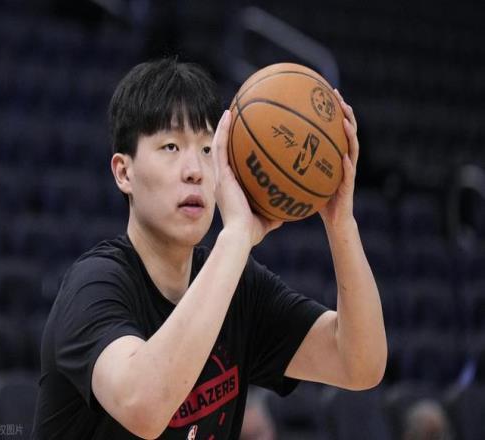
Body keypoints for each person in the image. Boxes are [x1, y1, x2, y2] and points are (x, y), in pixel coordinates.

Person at [31, 57, 387, 439]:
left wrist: (340, 224)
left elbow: (360, 365)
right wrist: (236, 236)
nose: (195, 171)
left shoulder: (240, 288)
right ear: (124, 172)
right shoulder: (93, 287)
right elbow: (145, 405)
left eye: (206, 149)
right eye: (170, 146)